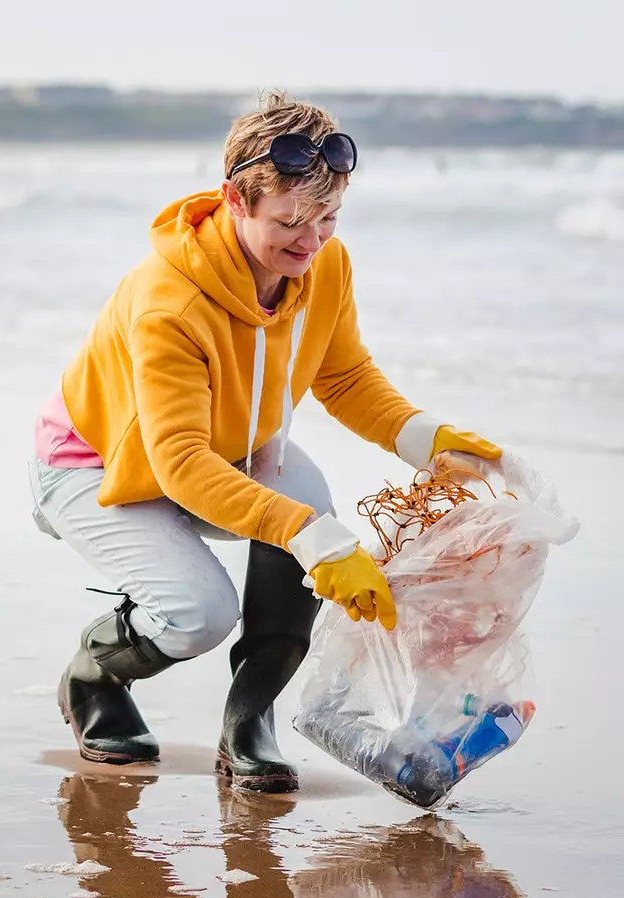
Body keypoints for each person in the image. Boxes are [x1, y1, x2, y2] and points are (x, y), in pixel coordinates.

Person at [28, 93, 502, 793]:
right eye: (289, 222)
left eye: (328, 219)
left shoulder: (323, 263)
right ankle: (94, 678)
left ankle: (250, 720)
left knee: (311, 505)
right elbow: (180, 463)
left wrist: (424, 438)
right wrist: (317, 541)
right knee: (201, 614)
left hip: (224, 451)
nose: (310, 242)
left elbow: (342, 374)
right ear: (234, 199)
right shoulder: (170, 302)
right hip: (94, 464)